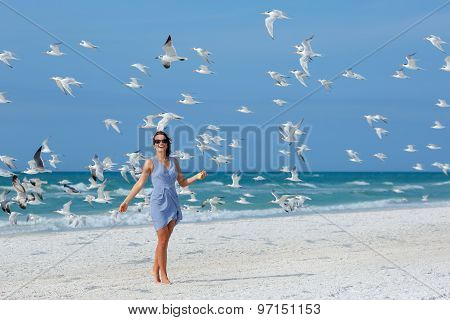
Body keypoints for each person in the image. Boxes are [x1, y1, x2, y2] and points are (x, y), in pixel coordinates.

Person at [118, 131, 207, 284]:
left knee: (163, 242)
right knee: (162, 239)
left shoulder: (174, 161)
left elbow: (183, 183)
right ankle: (164, 275)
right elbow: (140, 183)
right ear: (154, 144)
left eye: (163, 140)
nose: (161, 143)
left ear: (167, 143)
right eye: (158, 141)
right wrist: (126, 201)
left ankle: (154, 269)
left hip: (172, 201)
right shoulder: (150, 162)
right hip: (158, 202)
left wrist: (197, 177)